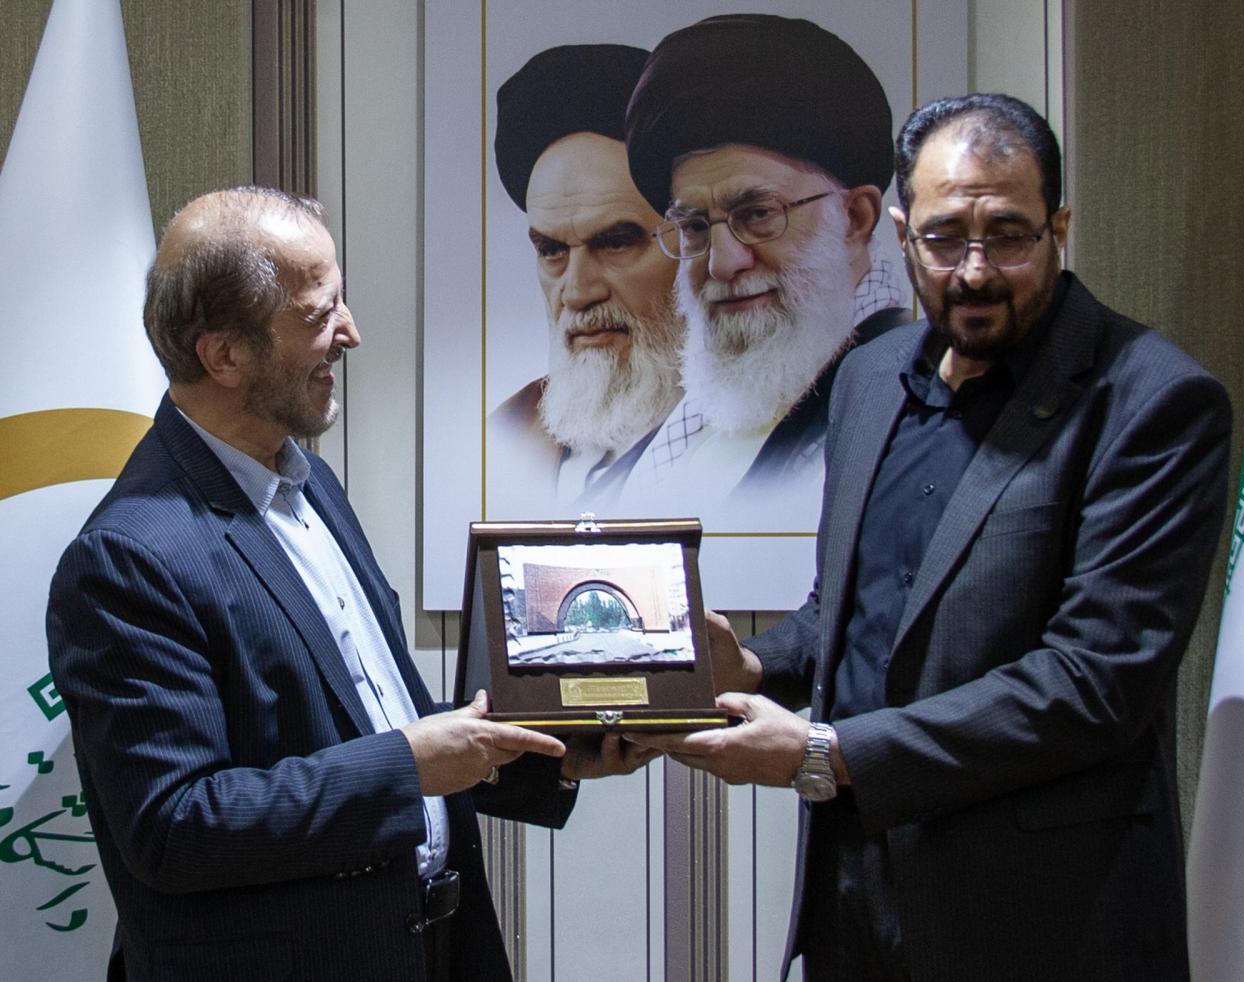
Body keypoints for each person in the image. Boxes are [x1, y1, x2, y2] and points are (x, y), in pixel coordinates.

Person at [631, 94, 1231, 981]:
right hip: (856, 903)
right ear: (902, 234)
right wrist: (753, 664)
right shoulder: (869, 377)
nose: (976, 271)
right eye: (946, 238)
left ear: (1060, 229)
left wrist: (827, 754)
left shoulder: (1153, 402)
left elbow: (1093, 685)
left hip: (1048, 927)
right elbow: (849, 607)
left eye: (1010, 236)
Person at [46, 187, 650, 982]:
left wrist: (550, 757)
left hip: (434, 945)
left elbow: (370, 720)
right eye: (317, 314)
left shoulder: (311, 486)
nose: (351, 332)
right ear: (223, 356)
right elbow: (174, 826)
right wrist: (408, 766)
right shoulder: (127, 559)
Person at [622, 14, 911, 517]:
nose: (723, 263)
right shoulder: (666, 441)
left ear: (855, 218)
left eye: (757, 214)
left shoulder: (910, 406)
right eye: (695, 226)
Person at [490, 44, 682, 512]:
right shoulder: (511, 428)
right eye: (552, 250)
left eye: (615, 243)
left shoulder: (762, 437)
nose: (577, 292)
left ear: (693, 243)